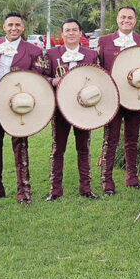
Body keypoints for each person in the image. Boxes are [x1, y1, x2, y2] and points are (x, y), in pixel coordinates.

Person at [0, 12, 46, 205]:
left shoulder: (33, 51)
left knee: (21, 147)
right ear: (4, 27)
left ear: (23, 28)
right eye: (10, 25)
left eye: (18, 25)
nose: (14, 28)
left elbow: (38, 80)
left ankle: (24, 190)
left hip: (20, 105)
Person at [97, 7, 140, 195]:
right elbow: (100, 69)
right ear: (118, 20)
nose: (126, 20)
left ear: (135, 21)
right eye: (123, 17)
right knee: (110, 140)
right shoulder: (104, 41)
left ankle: (132, 179)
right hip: (113, 98)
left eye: (130, 17)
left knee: (132, 139)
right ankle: (107, 181)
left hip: (136, 97)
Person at [44, 18, 100, 200]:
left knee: (84, 149)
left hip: (84, 109)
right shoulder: (52, 54)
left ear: (80, 33)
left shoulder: (91, 55)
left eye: (74, 30)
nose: (71, 33)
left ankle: (86, 188)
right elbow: (41, 77)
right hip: (60, 108)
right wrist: (53, 81)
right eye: (67, 30)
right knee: (57, 149)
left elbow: (98, 78)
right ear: (62, 34)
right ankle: (55, 190)